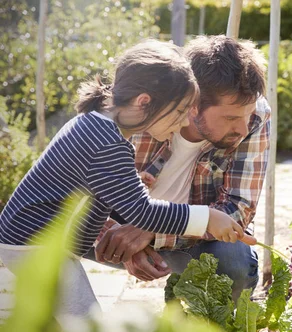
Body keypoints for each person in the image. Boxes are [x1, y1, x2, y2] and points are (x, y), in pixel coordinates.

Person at [0, 39, 254, 317]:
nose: (183, 122)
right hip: (36, 247)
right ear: (144, 102)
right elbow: (143, 213)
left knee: (59, 329)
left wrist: (130, 181)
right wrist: (207, 217)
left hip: (32, 241)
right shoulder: (108, 143)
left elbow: (92, 184)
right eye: (180, 111)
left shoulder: (96, 124)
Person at [93, 35, 270, 301]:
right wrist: (127, 247)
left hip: (191, 237)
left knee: (235, 262)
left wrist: (151, 229)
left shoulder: (255, 117)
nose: (243, 128)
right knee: (52, 232)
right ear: (193, 105)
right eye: (231, 118)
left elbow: (237, 210)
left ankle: (187, 319)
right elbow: (78, 199)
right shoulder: (135, 113)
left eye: (246, 114)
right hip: (118, 231)